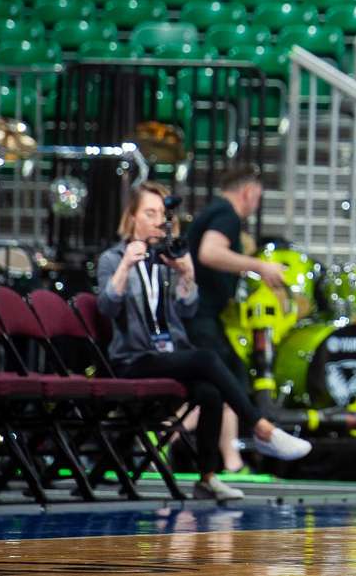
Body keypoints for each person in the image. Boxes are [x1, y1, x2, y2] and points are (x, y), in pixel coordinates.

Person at [96, 181, 311, 501]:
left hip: (167, 355)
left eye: (162, 215)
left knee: (210, 394)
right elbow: (106, 307)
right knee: (207, 359)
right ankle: (261, 427)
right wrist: (127, 265)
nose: (157, 220)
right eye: (149, 213)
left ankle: (207, 478)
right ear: (132, 218)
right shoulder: (112, 259)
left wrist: (187, 275)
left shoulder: (165, 261)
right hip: (132, 360)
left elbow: (187, 309)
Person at [182, 164, 287, 471]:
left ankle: (231, 461)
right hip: (199, 315)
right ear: (249, 191)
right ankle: (161, 435)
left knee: (229, 384)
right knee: (225, 385)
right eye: (258, 197)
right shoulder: (226, 214)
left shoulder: (216, 212)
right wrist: (260, 266)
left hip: (203, 315)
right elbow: (209, 253)